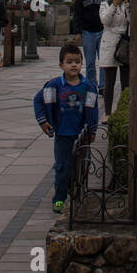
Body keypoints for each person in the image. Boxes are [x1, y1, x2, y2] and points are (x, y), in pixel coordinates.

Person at [33, 43, 99, 214]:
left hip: (81, 135)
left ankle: (78, 193)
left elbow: (93, 109)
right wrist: (43, 121)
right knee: (63, 167)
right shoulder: (54, 85)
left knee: (83, 165)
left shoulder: (88, 86)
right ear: (61, 65)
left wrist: (92, 130)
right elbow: (38, 100)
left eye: (77, 61)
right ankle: (60, 198)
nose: (74, 65)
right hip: (62, 134)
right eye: (69, 62)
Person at [98, 0, 131, 117]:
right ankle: (107, 113)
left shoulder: (126, 5)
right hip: (109, 43)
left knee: (126, 81)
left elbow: (132, 20)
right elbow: (105, 21)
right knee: (109, 82)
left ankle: (124, 111)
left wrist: (128, 4)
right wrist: (115, 4)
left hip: (123, 44)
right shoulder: (104, 5)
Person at [72, 0, 106, 91]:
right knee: (90, 61)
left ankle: (103, 86)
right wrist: (77, 32)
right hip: (88, 32)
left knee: (103, 60)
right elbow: (77, 15)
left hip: (102, 30)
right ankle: (91, 85)